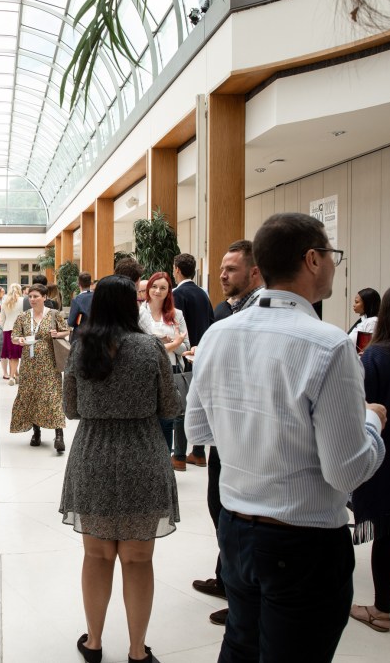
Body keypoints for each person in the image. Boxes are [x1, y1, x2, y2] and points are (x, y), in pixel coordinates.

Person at [185, 213, 386, 662]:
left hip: (235, 530)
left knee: (240, 646)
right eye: (331, 255)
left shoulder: (217, 335)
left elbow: (197, 430)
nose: (333, 265)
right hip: (303, 540)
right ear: (313, 259)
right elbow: (347, 471)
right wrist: (372, 423)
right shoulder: (329, 344)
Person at [59, 275, 181, 663]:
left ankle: (94, 643)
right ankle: (137, 651)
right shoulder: (150, 347)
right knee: (138, 560)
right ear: (132, 305)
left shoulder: (82, 347)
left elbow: (70, 409)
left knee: (96, 557)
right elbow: (170, 407)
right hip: (143, 453)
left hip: (92, 454)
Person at [189, 239, 265, 626]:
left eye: (231, 269)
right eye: (221, 268)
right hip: (225, 430)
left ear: (255, 272)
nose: (222, 275)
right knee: (221, 508)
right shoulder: (230, 310)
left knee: (234, 513)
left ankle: (240, 598)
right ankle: (226, 579)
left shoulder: (260, 314)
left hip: (244, 432)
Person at [349, 283, 390, 633]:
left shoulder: (376, 356)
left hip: (386, 457)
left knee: (386, 532)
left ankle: (381, 609)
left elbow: (362, 408)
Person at [10, 283, 70, 453]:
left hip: (49, 363)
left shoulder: (54, 314)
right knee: (33, 395)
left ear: (44, 297)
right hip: (29, 364)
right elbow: (14, 336)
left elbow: (66, 331)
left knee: (53, 396)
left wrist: (57, 334)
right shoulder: (23, 316)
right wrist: (19, 340)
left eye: (36, 296)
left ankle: (59, 435)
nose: (32, 299)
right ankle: (36, 432)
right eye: (30, 296)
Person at [138, 272, 189, 470]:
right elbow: (139, 347)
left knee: (168, 419)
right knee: (148, 419)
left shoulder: (177, 315)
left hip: (170, 370)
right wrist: (170, 343)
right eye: (154, 286)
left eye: (163, 288)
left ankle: (164, 466)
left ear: (169, 291)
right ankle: (148, 465)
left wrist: (173, 343)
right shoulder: (139, 313)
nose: (157, 291)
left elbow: (185, 348)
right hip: (147, 371)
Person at [172, 253, 214, 467]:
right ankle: (198, 452)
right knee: (200, 403)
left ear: (177, 270)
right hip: (203, 353)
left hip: (185, 355)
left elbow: (176, 327)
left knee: (182, 403)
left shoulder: (177, 295)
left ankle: (179, 455)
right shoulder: (203, 294)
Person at [0, 283, 25, 383]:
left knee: (12, 354)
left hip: (7, 329)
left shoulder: (5, 302)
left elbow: (2, 319)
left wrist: (2, 330)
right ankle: (11, 376)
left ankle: (16, 375)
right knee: (16, 355)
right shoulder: (23, 301)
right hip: (19, 330)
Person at [67, 271, 94, 343]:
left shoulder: (77, 300)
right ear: (91, 283)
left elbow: (71, 322)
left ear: (78, 284)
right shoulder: (99, 296)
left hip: (82, 337)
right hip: (98, 334)